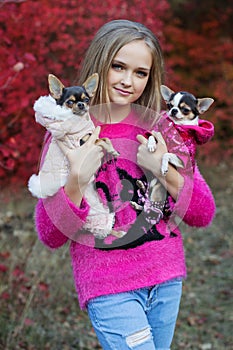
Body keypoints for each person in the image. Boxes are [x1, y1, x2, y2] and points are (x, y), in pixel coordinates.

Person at [34, 19, 216, 349]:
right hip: (109, 286)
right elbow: (50, 235)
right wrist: (77, 179)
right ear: (100, 64)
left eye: (141, 72)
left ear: (151, 77)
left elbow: (203, 213)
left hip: (166, 279)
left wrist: (164, 171)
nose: (128, 81)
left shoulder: (162, 129)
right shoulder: (69, 132)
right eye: (118, 66)